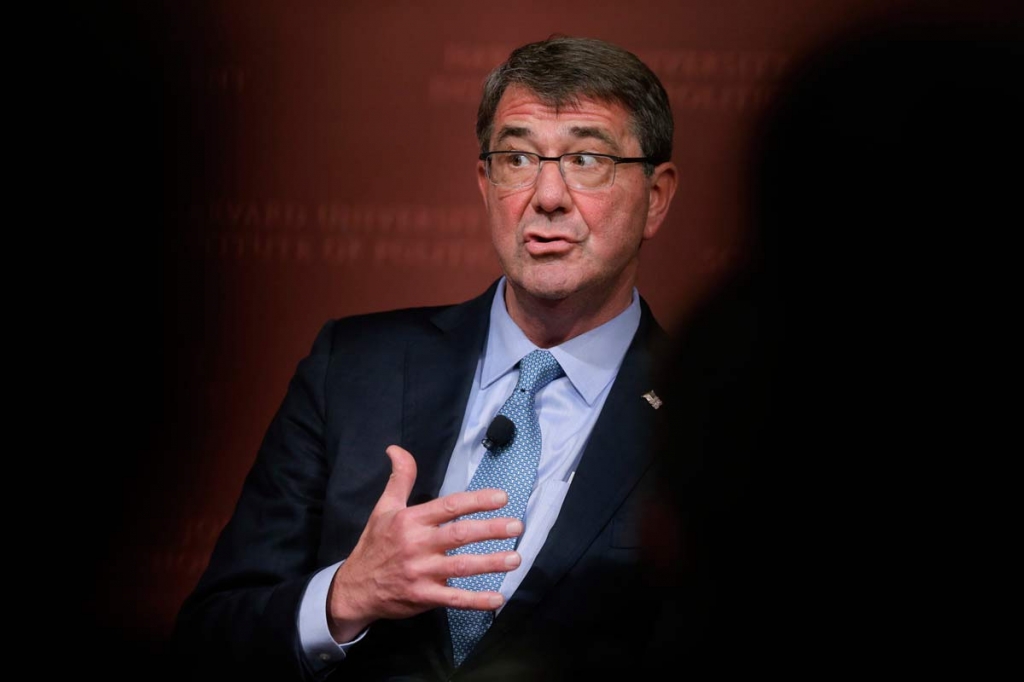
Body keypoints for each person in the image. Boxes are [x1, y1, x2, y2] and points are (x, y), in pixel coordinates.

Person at [172, 35, 678, 681]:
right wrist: (344, 597)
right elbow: (208, 642)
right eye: (518, 158)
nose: (547, 197)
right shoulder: (353, 368)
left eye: (586, 159)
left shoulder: (713, 409)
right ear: (485, 182)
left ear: (656, 196)